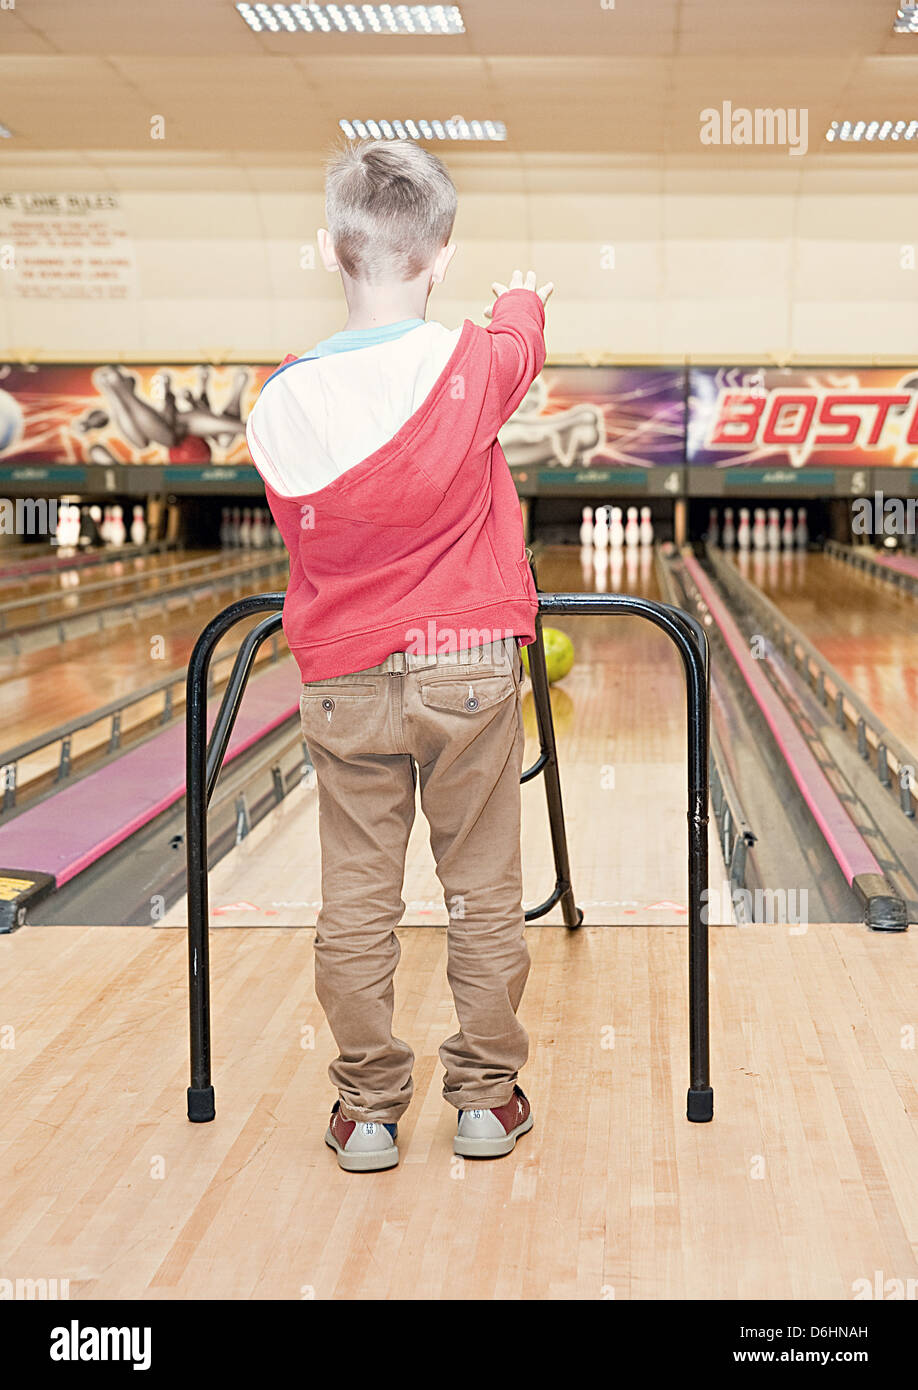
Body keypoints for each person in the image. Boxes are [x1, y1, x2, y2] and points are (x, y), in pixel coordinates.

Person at [245, 138, 552, 1172]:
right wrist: (520, 297)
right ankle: (484, 1099)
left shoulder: (278, 400)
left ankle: (369, 1108)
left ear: (332, 248)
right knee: (480, 887)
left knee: (359, 895)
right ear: (440, 255)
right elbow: (520, 340)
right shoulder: (471, 362)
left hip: (343, 676)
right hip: (466, 661)